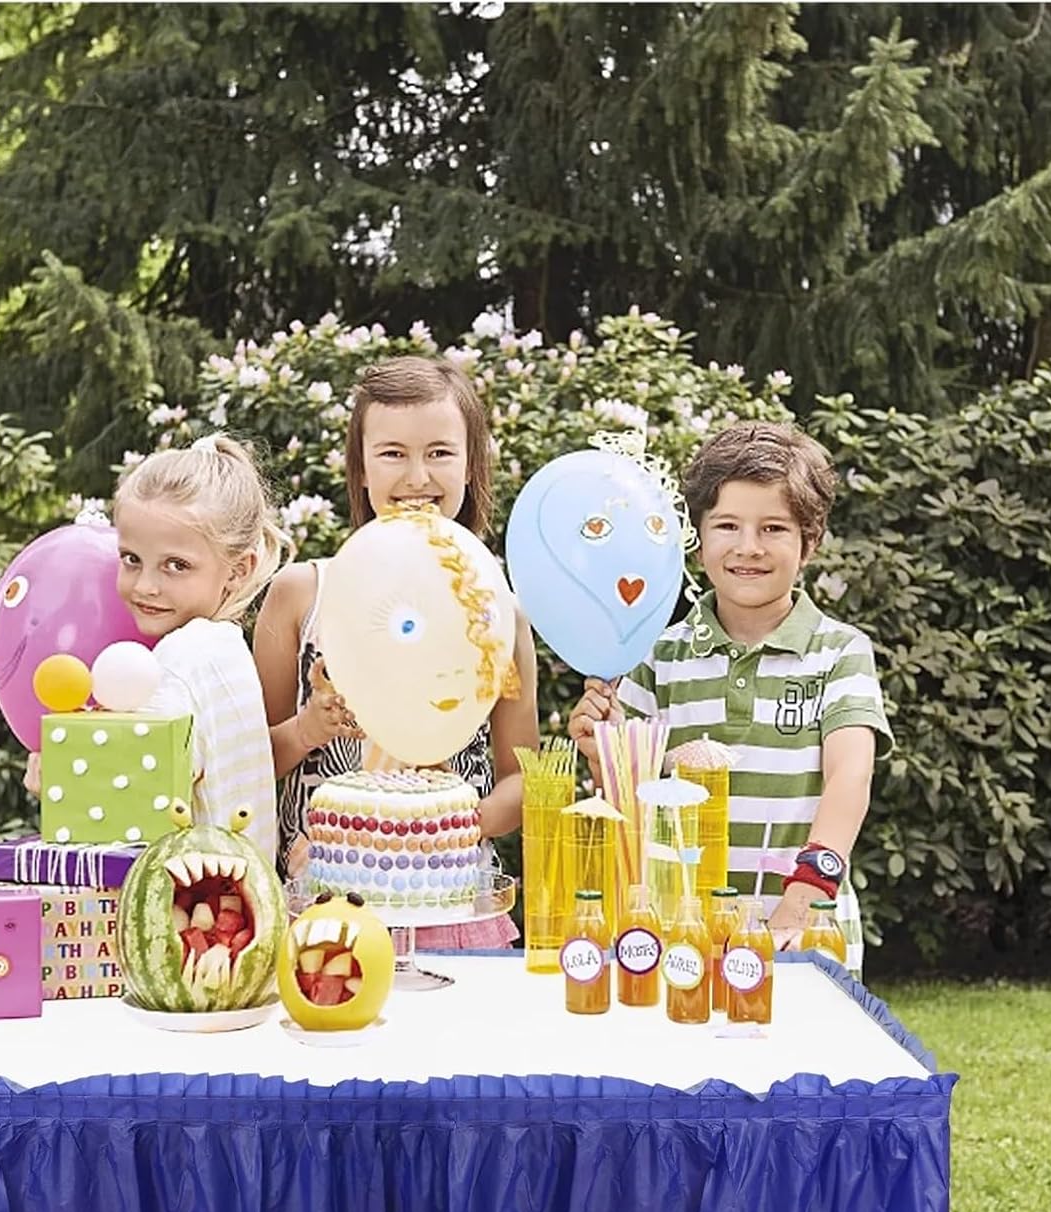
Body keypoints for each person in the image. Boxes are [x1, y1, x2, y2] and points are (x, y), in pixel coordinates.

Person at [567, 421, 891, 974]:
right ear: (697, 538)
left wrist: (799, 906)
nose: (748, 548)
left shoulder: (840, 652)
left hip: (804, 934)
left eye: (773, 528)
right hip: (682, 936)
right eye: (727, 526)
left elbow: (850, 778)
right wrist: (604, 757)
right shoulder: (655, 655)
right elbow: (633, 805)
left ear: (810, 542)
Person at [254, 355, 540, 948]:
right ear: (360, 469)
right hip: (321, 911)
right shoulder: (302, 596)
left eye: (439, 452)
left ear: (471, 465)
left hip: (454, 908)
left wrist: (444, 833)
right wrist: (308, 730)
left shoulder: (500, 612)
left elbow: (522, 778)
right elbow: (249, 764)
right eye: (392, 453)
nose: (417, 476)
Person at [26, 435, 286, 867]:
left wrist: (63, 780)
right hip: (239, 894)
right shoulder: (224, 648)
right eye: (131, 559)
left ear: (238, 570)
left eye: (176, 565)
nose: (145, 585)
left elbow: (130, 804)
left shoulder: (182, 660)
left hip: (186, 901)